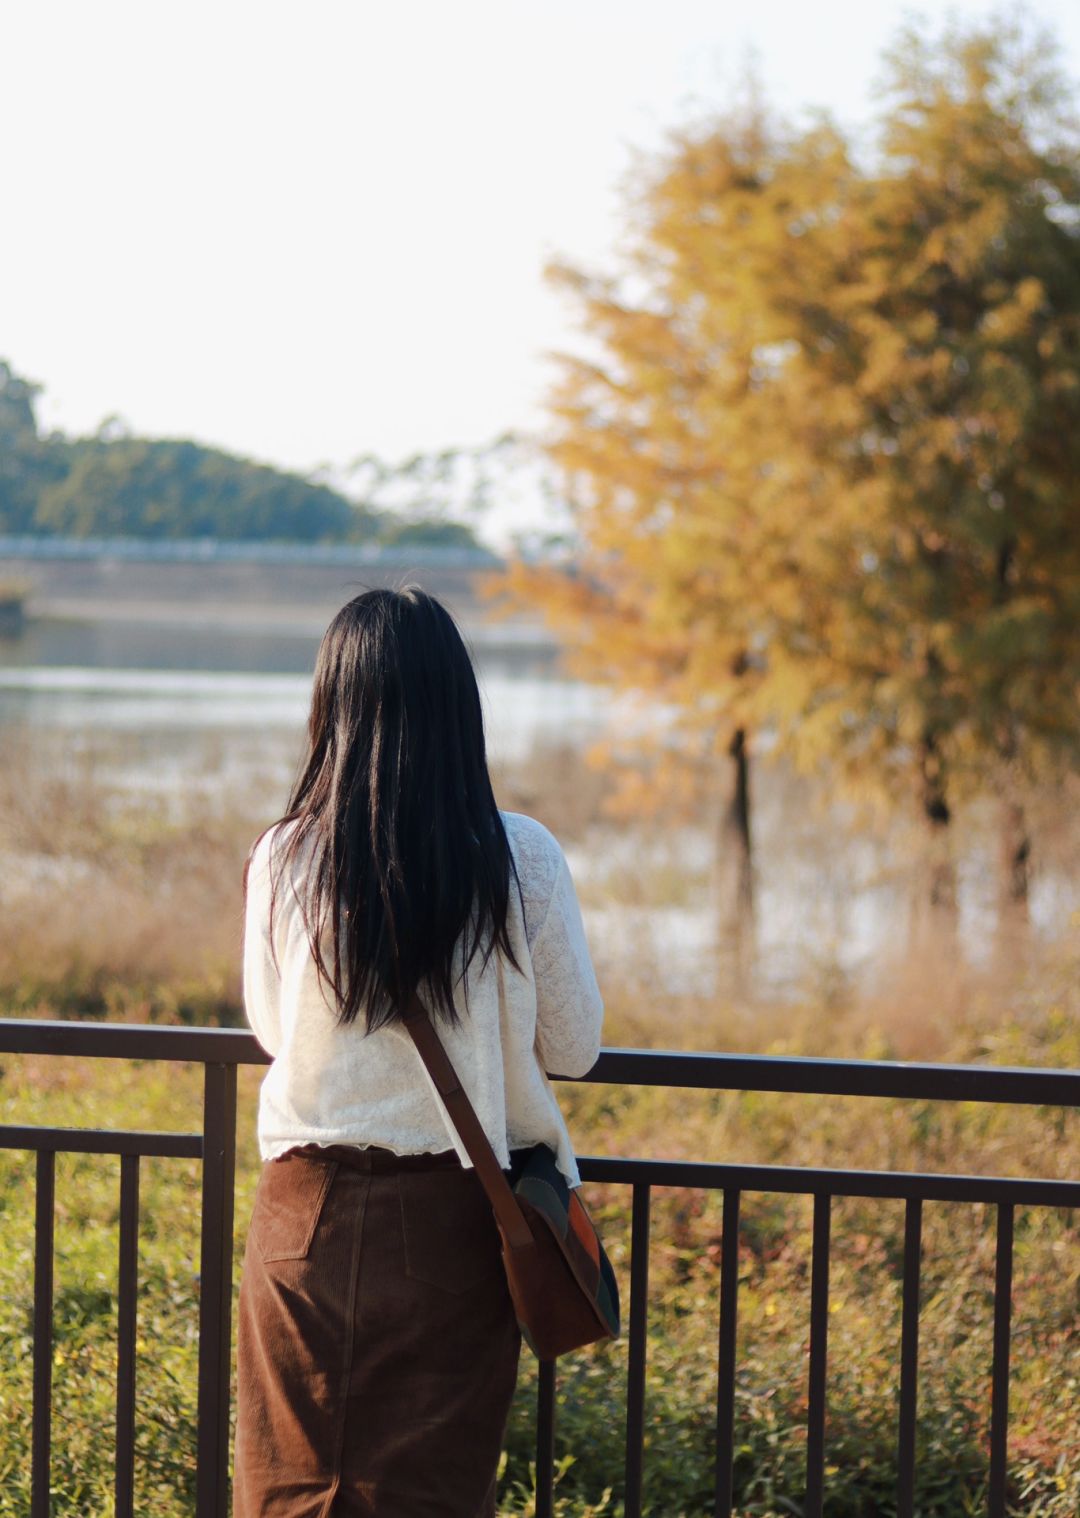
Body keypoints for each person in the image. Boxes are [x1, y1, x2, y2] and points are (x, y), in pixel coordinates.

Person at [234, 587, 604, 1518]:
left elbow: (277, 1033)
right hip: (451, 1225)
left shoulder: (286, 857)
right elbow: (576, 1045)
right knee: (428, 1499)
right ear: (459, 707)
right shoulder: (520, 857)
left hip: (300, 1223)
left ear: (333, 706)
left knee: (288, 1493)